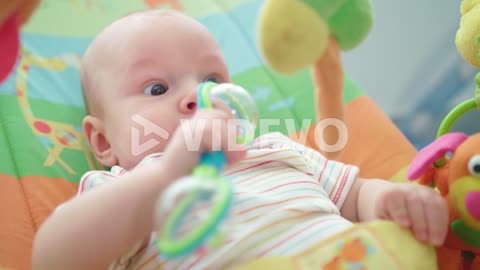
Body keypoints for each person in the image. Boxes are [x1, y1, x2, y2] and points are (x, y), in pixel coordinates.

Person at [32, 9, 449, 270]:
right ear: (102, 142)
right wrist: (165, 175)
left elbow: (356, 195)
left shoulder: (275, 149)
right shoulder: (122, 191)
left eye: (212, 79)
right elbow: (52, 258)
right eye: (157, 89)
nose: (198, 96)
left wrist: (390, 200)